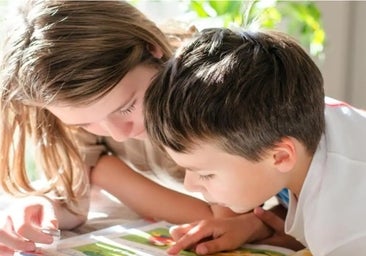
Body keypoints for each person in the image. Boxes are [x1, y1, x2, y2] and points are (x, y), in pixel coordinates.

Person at [0, 1, 243, 254]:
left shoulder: (210, 90)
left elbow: (225, 217)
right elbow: (74, 196)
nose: (119, 132)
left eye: (126, 107)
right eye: (84, 123)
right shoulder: (75, 101)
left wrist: (107, 173)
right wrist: (41, 207)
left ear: (153, 49)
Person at [144, 27, 366, 255]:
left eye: (206, 174)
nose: (190, 185)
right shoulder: (296, 113)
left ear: (280, 156)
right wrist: (252, 226)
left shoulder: (339, 225)